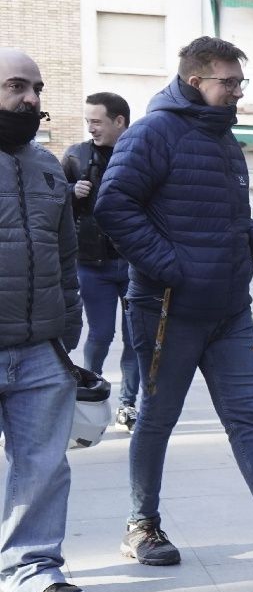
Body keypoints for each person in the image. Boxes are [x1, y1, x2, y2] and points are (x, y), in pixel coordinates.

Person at [94, 36, 253, 571]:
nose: (237, 92)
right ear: (194, 82)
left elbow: (227, 222)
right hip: (166, 310)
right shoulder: (154, 133)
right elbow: (113, 204)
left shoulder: (225, 142)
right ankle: (142, 527)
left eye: (238, 82)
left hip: (228, 310)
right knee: (157, 419)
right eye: (227, 82)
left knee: (246, 419)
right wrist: (171, 267)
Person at [0, 49, 85, 592]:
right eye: (15, 87)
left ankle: (32, 567)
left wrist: (67, 330)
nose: (31, 99)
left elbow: (67, 255)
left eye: (36, 89)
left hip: (40, 348)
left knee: (44, 465)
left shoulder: (49, 165)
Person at [62, 92, 140, 430]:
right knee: (101, 334)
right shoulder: (75, 155)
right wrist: (70, 192)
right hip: (92, 264)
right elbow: (52, 199)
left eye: (97, 121)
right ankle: (90, 395)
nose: (91, 128)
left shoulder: (140, 152)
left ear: (119, 121)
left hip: (135, 263)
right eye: (88, 122)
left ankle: (128, 404)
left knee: (136, 337)